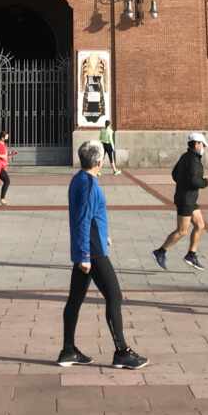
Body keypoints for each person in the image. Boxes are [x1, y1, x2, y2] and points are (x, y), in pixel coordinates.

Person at [57, 141, 148, 369]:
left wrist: (102, 236)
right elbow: (83, 219)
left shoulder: (78, 179)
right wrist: (85, 254)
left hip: (90, 246)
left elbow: (89, 216)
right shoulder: (89, 184)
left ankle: (68, 350)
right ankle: (122, 352)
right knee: (114, 296)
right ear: (100, 161)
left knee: (75, 299)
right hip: (93, 251)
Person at [152, 132, 208, 271]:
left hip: (189, 198)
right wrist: (207, 182)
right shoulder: (193, 160)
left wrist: (183, 183)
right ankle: (160, 252)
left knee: (200, 225)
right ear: (197, 144)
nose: (203, 147)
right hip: (186, 200)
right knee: (182, 231)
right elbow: (194, 181)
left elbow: (174, 174)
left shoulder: (185, 157)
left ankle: (191, 255)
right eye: (202, 144)